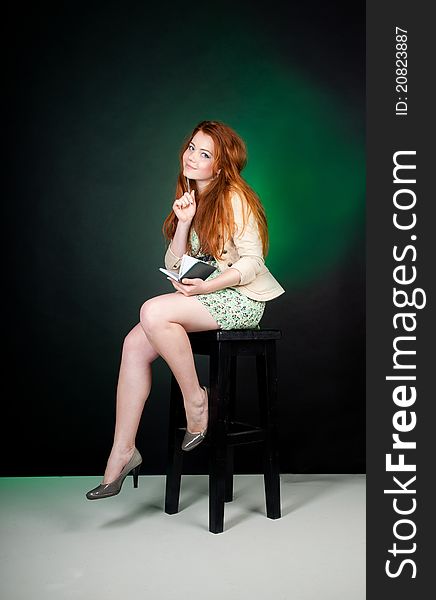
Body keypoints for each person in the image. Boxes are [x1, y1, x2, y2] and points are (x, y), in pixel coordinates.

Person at [86, 120, 285, 500]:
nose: (192, 157)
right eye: (191, 147)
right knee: (133, 345)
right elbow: (175, 265)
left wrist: (207, 286)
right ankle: (123, 453)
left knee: (153, 311)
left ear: (221, 165)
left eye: (204, 153)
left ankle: (197, 401)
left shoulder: (235, 198)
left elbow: (253, 262)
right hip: (206, 298)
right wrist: (183, 222)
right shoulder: (193, 197)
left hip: (241, 300)